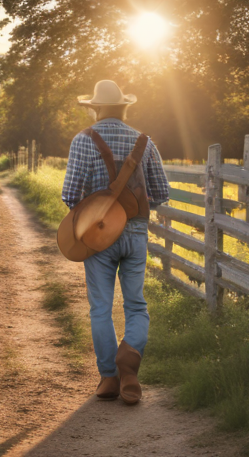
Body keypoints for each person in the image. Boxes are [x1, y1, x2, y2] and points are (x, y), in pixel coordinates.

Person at [62, 80, 169, 404]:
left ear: (95, 108)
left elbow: (69, 194)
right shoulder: (144, 142)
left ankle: (109, 377)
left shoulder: (83, 140)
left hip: (99, 235)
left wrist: (98, 213)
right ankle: (130, 364)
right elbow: (161, 193)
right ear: (124, 108)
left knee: (101, 309)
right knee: (136, 304)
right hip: (136, 233)